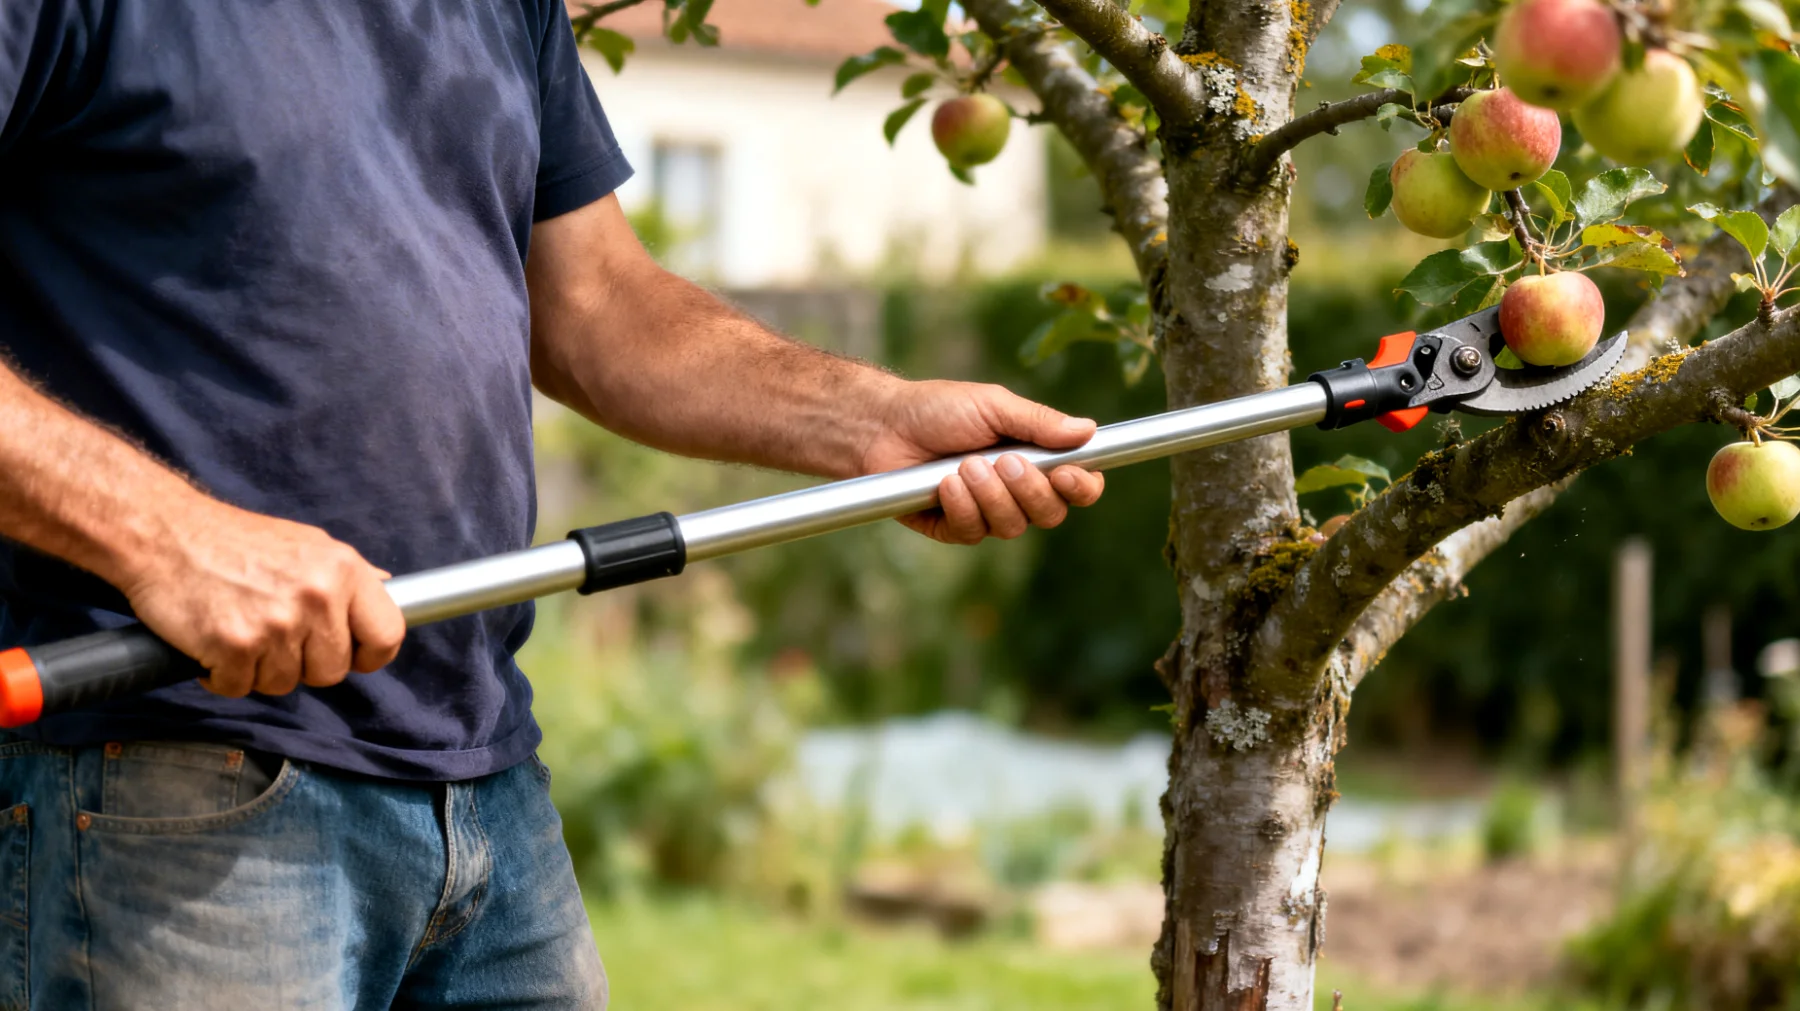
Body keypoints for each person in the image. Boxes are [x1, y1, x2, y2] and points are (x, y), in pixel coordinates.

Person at [0, 1, 1106, 1007]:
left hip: (482, 784)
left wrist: (876, 418)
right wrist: (169, 539)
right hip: (167, 775)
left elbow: (600, 306)